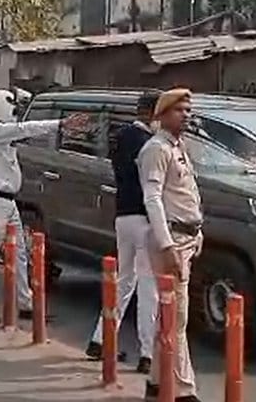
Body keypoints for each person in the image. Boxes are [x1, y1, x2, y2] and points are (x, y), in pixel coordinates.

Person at [0, 88, 72, 324]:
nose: (15, 113)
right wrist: (60, 123)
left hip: (7, 201)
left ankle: (25, 303)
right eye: (13, 108)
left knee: (21, 253)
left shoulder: (0, 134)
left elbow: (23, 131)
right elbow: (25, 129)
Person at [85, 89, 162, 374]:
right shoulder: (150, 143)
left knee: (124, 282)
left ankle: (99, 340)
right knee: (148, 287)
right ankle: (147, 354)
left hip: (123, 217)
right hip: (144, 218)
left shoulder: (122, 137)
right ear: (153, 112)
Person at [139, 88, 202, 402]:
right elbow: (152, 199)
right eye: (180, 110)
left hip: (186, 237)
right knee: (177, 319)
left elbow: (185, 194)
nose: (186, 115)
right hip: (171, 240)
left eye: (188, 110)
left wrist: (197, 231)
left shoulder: (179, 147)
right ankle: (183, 391)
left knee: (171, 316)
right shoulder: (156, 149)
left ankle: (155, 382)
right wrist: (167, 245)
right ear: (162, 115)